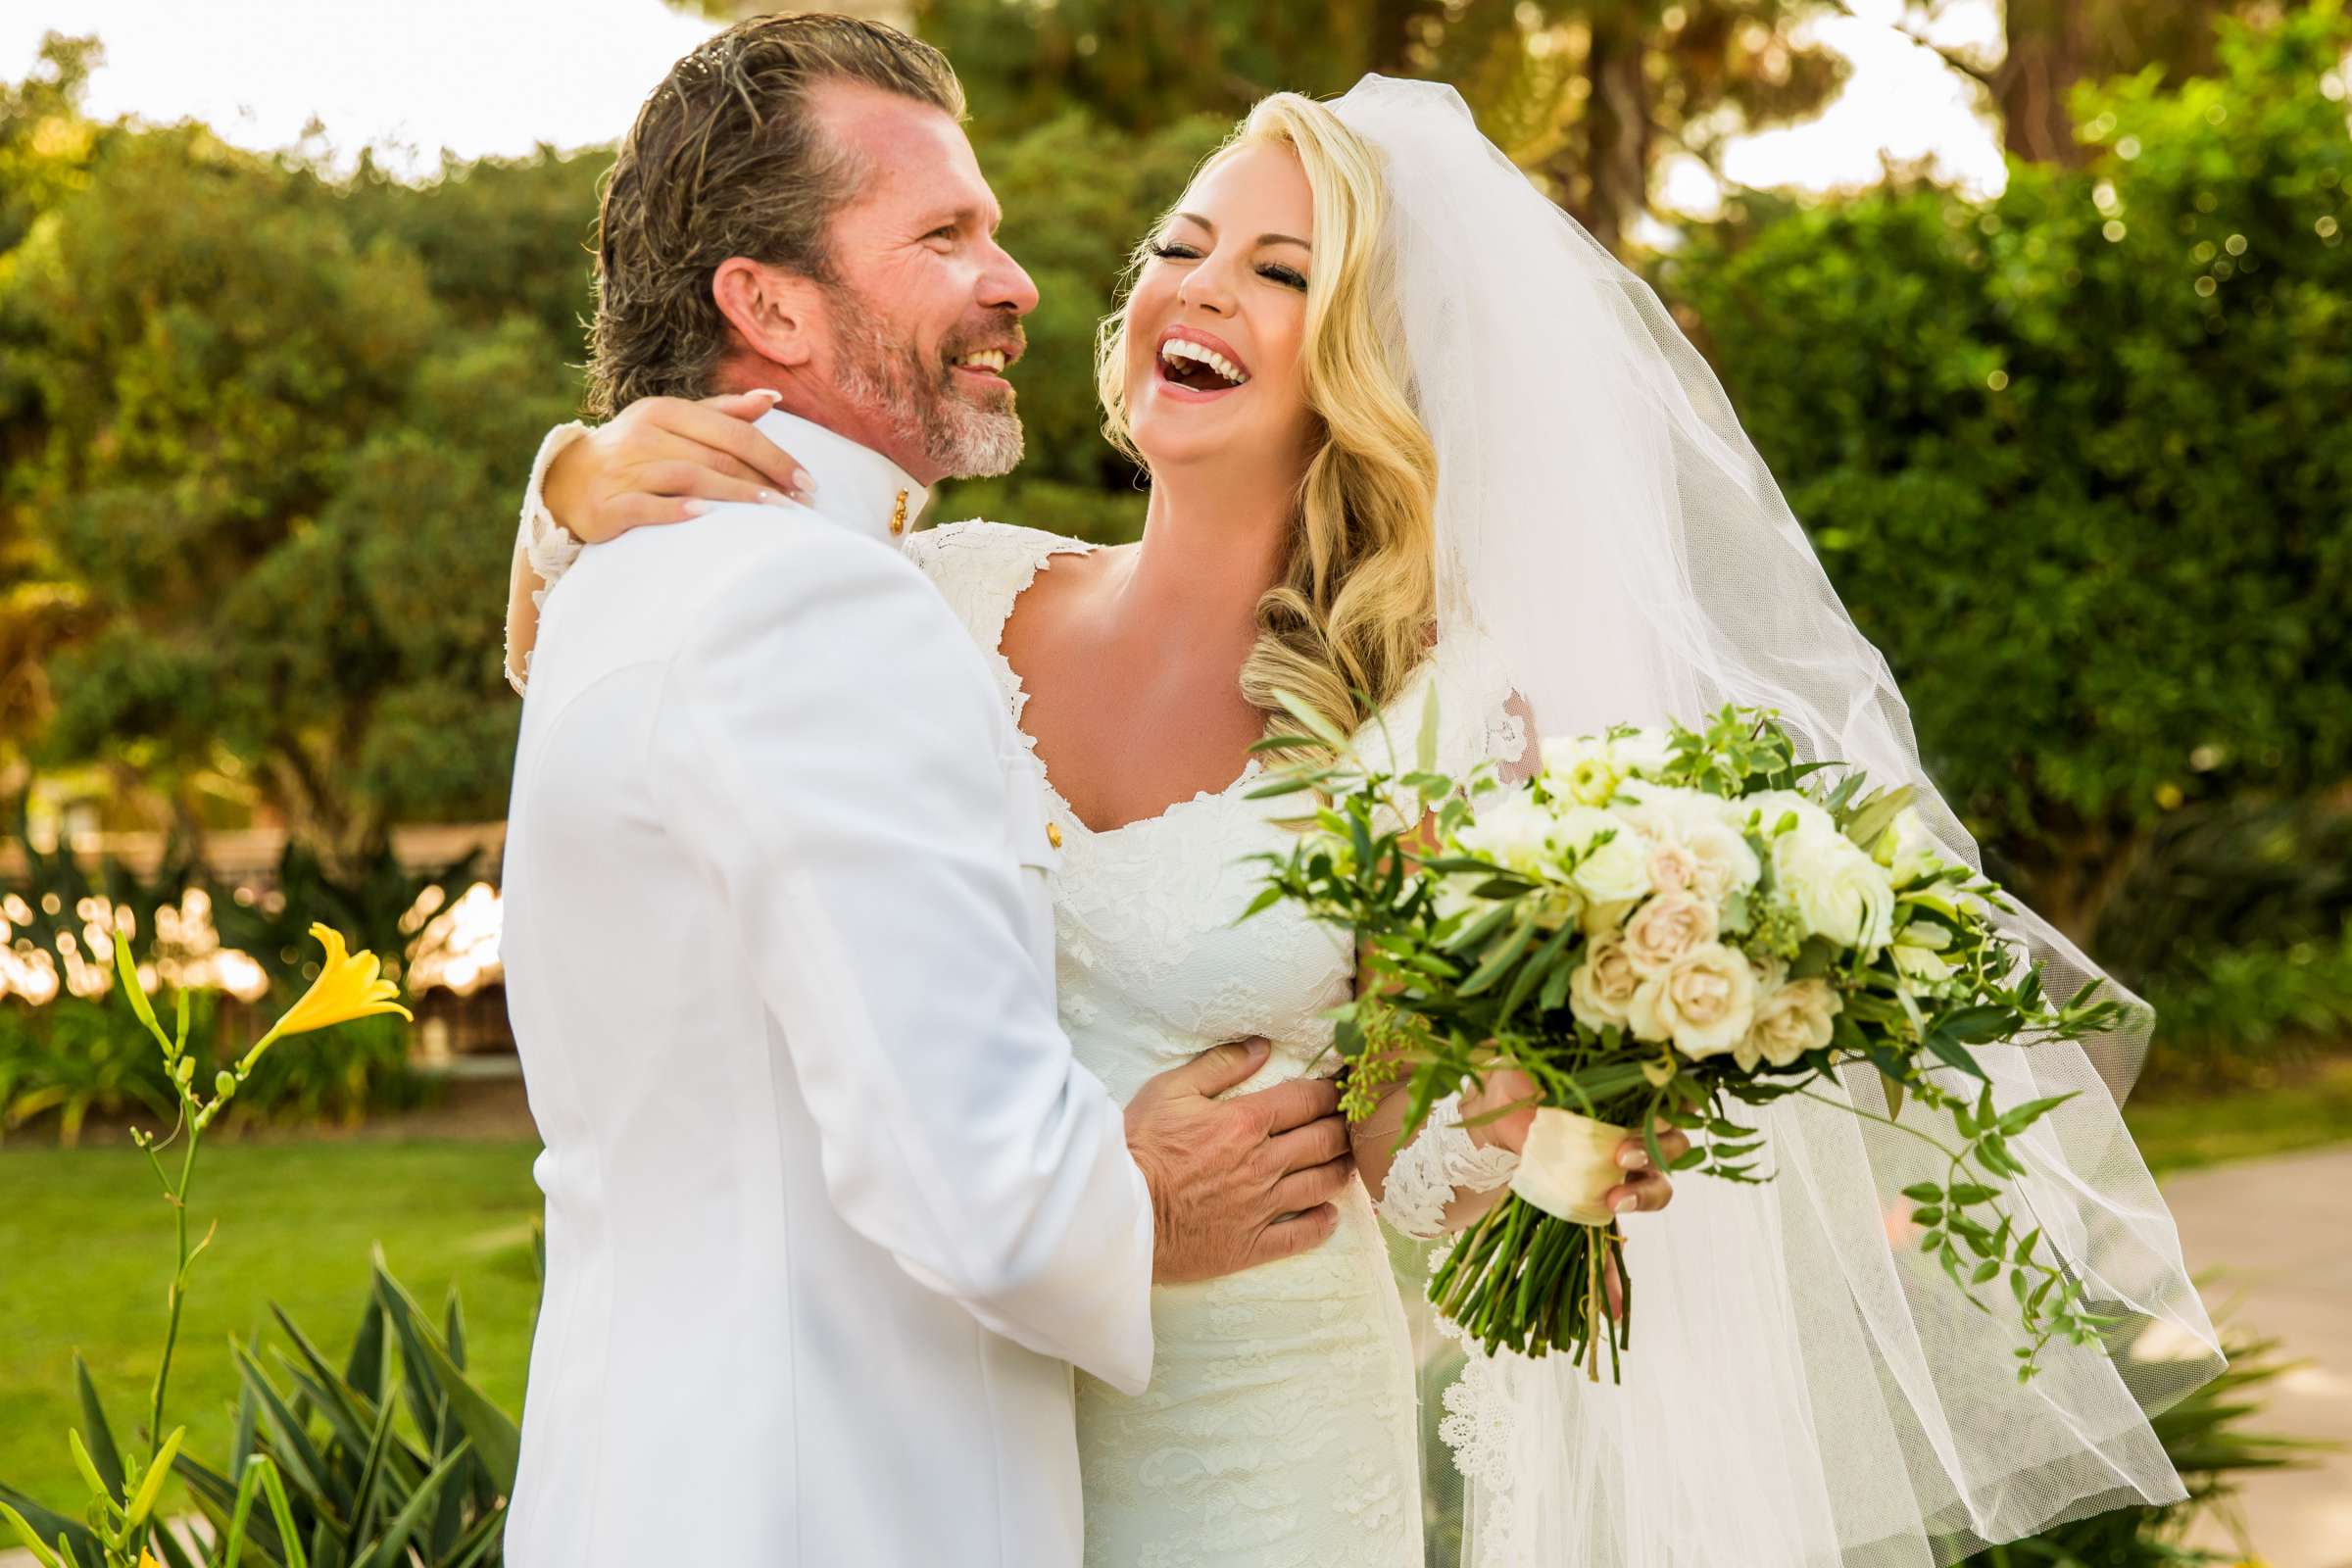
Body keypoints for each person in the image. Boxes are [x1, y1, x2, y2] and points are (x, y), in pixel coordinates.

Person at [511, 32, 2218, 1568]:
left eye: (1280, 271)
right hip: (949, 1418)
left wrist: (1560, 1135)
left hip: (1244, 1432)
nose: (1196, 291)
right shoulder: (934, 589)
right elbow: (684, 716)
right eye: (1180, 248)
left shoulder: (1444, 718)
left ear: (1373, 352)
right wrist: (569, 480)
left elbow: (1413, 1135)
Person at [497, 18, 1376, 1567]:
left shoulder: (628, 574)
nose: (1020, 277)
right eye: (943, 234)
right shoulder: (827, 608)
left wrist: (564, 487)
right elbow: (989, 1201)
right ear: (766, 303)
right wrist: (1146, 1207)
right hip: (831, 1509)